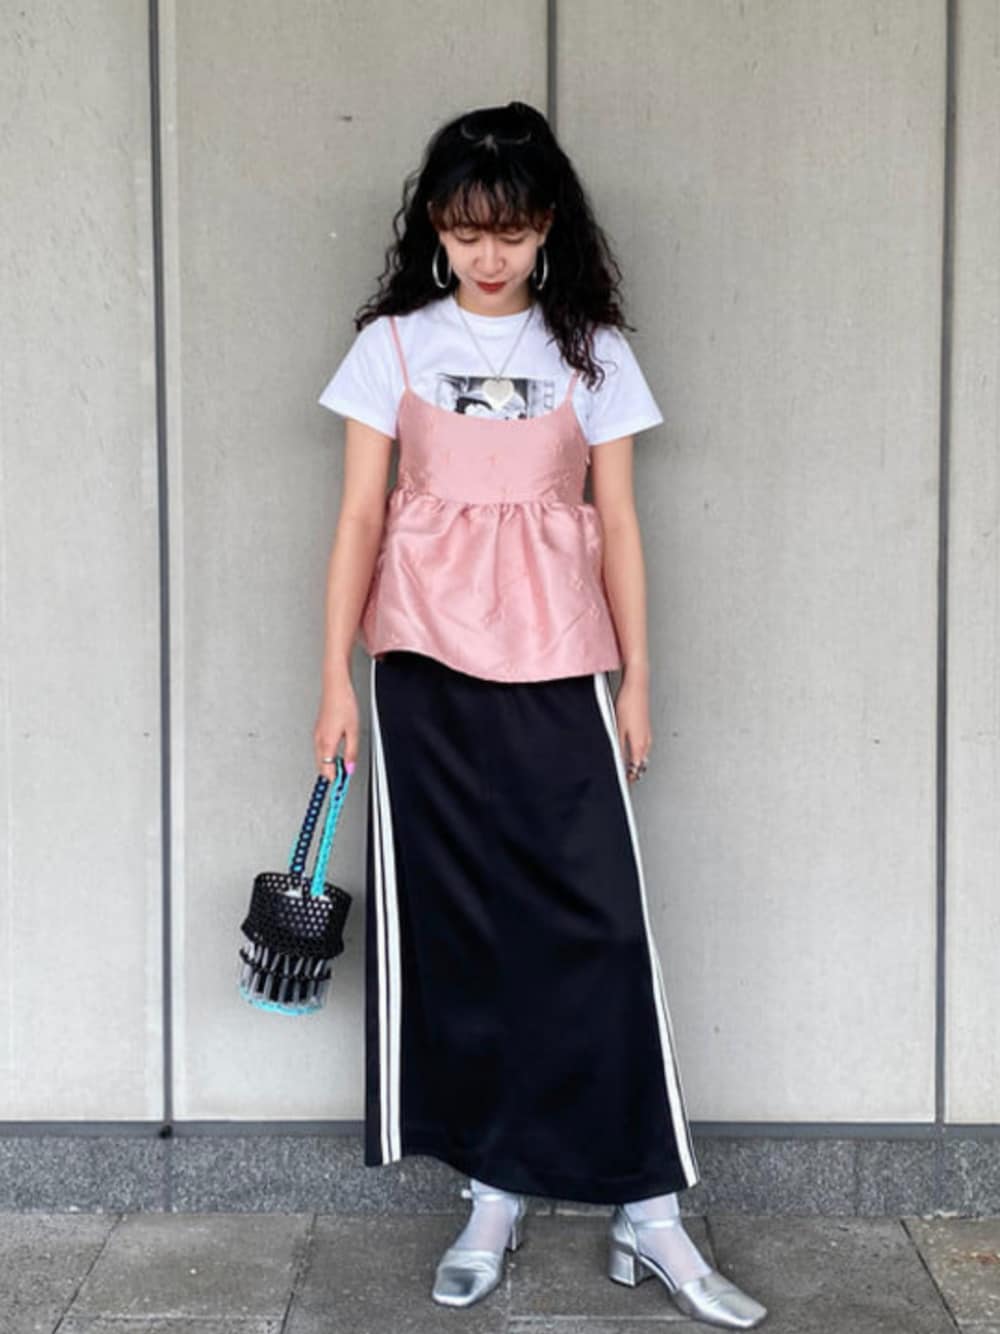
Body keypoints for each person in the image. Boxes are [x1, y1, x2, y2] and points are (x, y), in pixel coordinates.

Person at [313, 101, 767, 1330]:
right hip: (421, 669)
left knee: (597, 932)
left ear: (548, 225)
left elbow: (617, 520)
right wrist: (332, 682)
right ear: (434, 228)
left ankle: (648, 1210)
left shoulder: (594, 352)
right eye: (466, 230)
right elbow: (359, 516)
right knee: (464, 936)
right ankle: (493, 1191)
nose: (488, 254)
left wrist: (639, 677)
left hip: (562, 666)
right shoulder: (392, 347)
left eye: (509, 230)